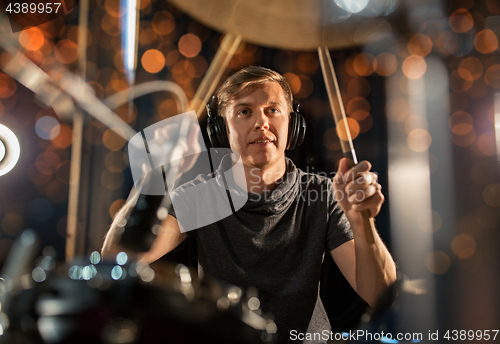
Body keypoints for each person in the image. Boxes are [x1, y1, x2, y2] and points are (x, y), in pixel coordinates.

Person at [102, 66, 397, 342]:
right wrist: (156, 178)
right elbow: (118, 259)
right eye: (244, 112)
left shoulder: (323, 194)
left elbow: (380, 294)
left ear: (293, 126)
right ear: (220, 132)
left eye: (272, 110)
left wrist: (363, 223)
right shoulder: (201, 196)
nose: (261, 122)